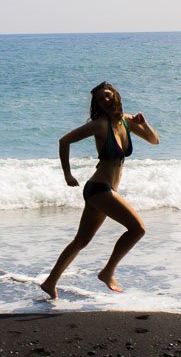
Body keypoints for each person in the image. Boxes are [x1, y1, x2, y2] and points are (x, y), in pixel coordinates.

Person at [40, 81, 159, 297]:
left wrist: (145, 123)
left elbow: (154, 140)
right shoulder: (100, 124)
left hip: (104, 191)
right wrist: (67, 173)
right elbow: (64, 140)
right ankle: (107, 272)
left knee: (81, 241)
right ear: (98, 105)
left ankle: (49, 282)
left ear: (115, 95)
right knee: (138, 229)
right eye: (100, 99)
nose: (105, 100)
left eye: (107, 95)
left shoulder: (127, 120)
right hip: (99, 188)